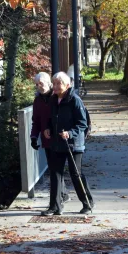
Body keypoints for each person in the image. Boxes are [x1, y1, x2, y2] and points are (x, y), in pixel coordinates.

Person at [43, 72, 95, 215]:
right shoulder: (53, 100)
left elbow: (83, 123)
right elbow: (50, 118)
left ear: (67, 85)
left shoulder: (75, 100)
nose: (56, 86)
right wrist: (48, 128)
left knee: (75, 173)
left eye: (59, 83)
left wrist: (70, 133)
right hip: (57, 142)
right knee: (55, 173)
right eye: (54, 83)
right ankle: (54, 206)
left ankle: (87, 203)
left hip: (74, 144)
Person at [30, 72, 70, 211]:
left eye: (40, 83)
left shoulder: (56, 97)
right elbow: (35, 121)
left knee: (56, 170)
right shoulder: (38, 101)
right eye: (36, 84)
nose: (38, 86)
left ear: (48, 83)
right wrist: (34, 137)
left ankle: (58, 201)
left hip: (60, 139)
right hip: (47, 140)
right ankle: (61, 196)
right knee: (54, 170)